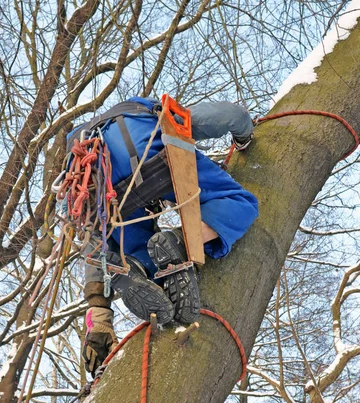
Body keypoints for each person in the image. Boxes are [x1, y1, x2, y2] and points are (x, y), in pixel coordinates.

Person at [75, 96, 258, 377]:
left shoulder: (78, 159)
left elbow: (91, 240)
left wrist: (98, 317)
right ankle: (183, 242)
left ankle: (137, 266)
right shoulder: (145, 116)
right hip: (146, 152)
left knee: (130, 246)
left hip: (100, 188)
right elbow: (226, 114)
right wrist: (244, 135)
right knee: (239, 204)